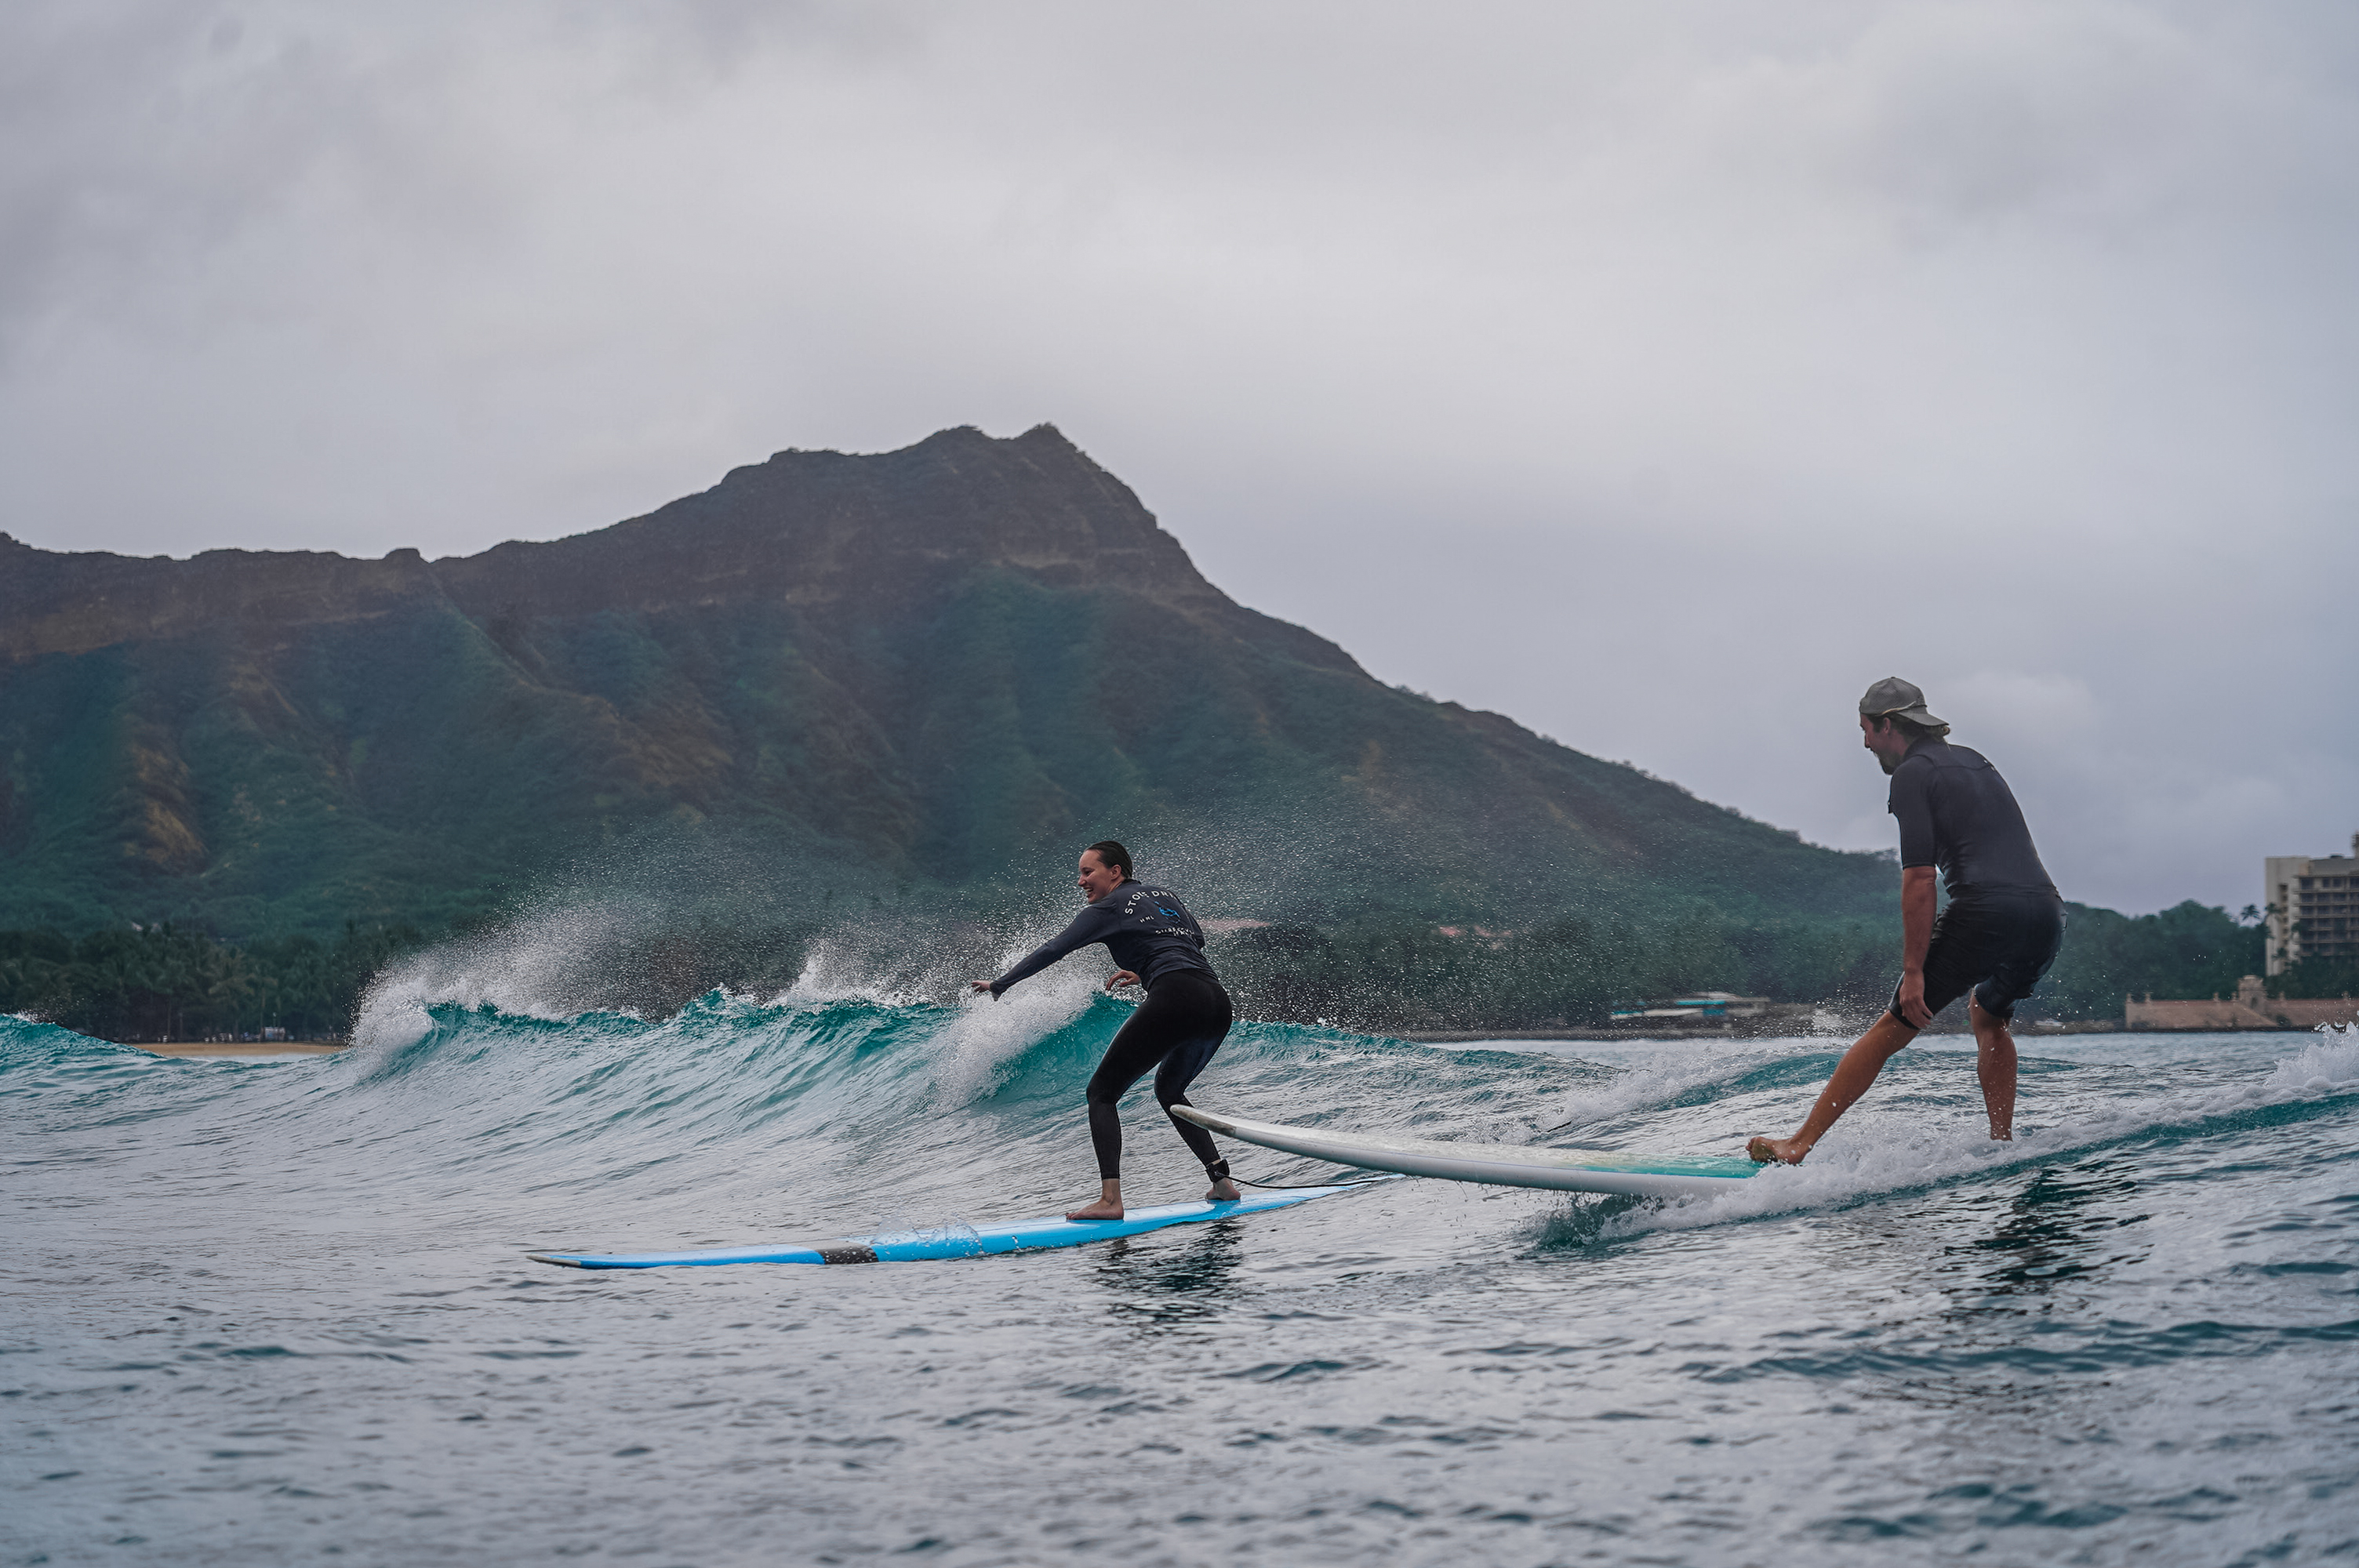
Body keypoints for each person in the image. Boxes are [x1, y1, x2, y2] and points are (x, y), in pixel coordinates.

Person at [1747, 677, 2065, 1164]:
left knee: (1892, 1026)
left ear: (1888, 725)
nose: (1866, 743)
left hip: (1984, 911)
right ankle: (2003, 1142)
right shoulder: (1976, 760)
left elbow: (1920, 878)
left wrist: (1914, 971)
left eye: (1867, 731)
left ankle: (1799, 1143)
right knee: (1989, 1013)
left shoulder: (1913, 774)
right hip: (2045, 911)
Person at [973, 840, 1240, 1220]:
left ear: (1115, 872)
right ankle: (1222, 1182)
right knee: (1170, 1089)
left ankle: (1111, 1200)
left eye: (1088, 872)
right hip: (1215, 1000)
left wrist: (1002, 984)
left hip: (1176, 996)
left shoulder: (1107, 907)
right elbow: (1192, 942)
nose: (1081, 881)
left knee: (1101, 1093)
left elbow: (1055, 949)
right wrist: (1146, 969)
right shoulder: (1165, 895)